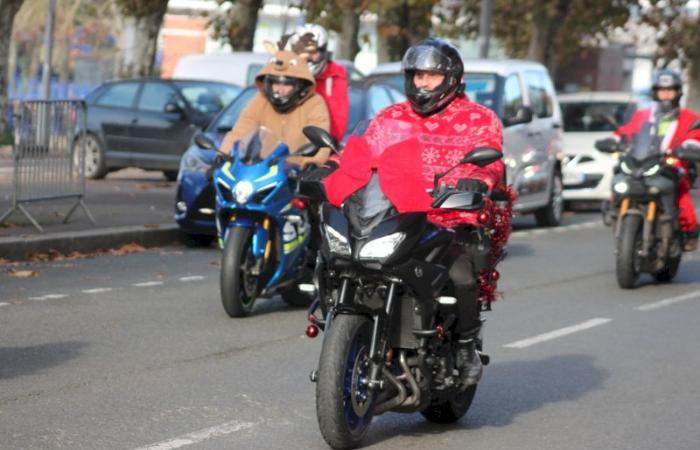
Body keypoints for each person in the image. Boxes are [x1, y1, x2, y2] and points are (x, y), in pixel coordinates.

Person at [323, 38, 509, 388]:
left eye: (431, 76)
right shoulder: (389, 118)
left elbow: (491, 161)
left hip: (448, 218)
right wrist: (330, 167)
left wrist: (476, 180)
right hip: (391, 215)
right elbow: (358, 152)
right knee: (336, 256)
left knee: (462, 274)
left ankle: (466, 347)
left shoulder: (478, 119)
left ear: (451, 79)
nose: (422, 83)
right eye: (417, 75)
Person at [602, 69, 699, 251]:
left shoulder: (689, 118)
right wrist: (614, 141)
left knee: (680, 192)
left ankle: (689, 230)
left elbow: (695, 136)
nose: (666, 95)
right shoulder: (644, 115)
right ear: (655, 93)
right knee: (620, 177)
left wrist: (689, 148)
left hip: (671, 164)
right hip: (643, 161)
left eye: (670, 90)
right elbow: (626, 131)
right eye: (662, 91)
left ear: (678, 93)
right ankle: (611, 208)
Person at [218, 39, 331, 168]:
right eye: (275, 83)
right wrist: (223, 155)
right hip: (260, 169)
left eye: (287, 84)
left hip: (297, 173)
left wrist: (312, 163)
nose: (279, 89)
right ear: (267, 84)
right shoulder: (261, 100)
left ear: (300, 85)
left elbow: (319, 141)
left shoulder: (314, 103)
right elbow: (240, 131)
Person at [289, 24, 349, 143]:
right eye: (302, 52)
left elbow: (338, 121)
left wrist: (325, 143)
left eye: (313, 52)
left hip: (320, 145)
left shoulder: (335, 78)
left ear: (323, 52)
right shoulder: (284, 75)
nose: (308, 57)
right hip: (283, 146)